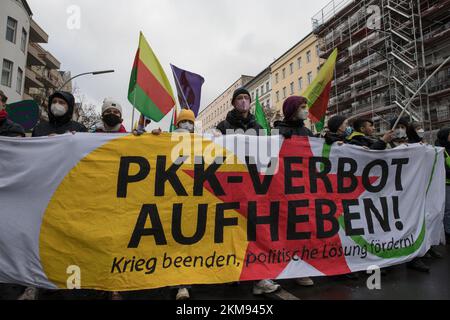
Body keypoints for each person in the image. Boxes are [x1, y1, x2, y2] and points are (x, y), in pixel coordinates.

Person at [216, 88, 280, 295]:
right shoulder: (223, 126)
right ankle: (231, 272)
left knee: (255, 230)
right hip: (231, 185)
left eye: (246, 98)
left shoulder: (258, 126)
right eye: (239, 98)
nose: (243, 101)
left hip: (254, 184)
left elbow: (268, 153)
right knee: (231, 229)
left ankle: (259, 277)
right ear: (234, 103)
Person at [436, 128, 450, 243]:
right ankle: (448, 232)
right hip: (445, 184)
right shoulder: (441, 150)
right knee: (447, 210)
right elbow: (442, 169)